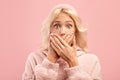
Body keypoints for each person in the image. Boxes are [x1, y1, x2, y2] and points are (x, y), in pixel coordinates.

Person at [22, 4, 102, 80]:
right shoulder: (34, 59)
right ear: (50, 31)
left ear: (75, 31)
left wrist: (73, 62)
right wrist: (50, 60)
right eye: (56, 26)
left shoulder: (91, 60)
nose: (62, 32)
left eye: (69, 26)